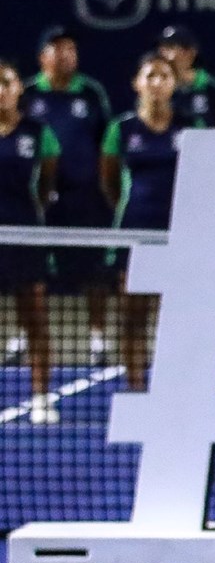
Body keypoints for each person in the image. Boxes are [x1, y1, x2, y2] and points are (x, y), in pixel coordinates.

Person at [24, 27, 114, 366]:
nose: (66, 56)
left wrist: (102, 189)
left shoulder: (90, 93)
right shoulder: (27, 94)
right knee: (30, 274)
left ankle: (97, 337)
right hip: (38, 198)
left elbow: (105, 145)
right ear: (42, 57)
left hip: (85, 196)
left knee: (94, 272)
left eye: (71, 50)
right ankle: (23, 335)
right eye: (58, 50)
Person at [100, 55, 187, 390]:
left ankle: (174, 387)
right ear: (137, 83)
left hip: (180, 233)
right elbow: (109, 180)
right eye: (150, 76)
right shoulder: (121, 129)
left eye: (164, 76)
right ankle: (136, 388)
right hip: (135, 231)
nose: (157, 83)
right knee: (134, 316)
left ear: (174, 84)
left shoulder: (190, 126)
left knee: (177, 317)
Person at [0, 59, 59, 423]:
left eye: (6, 83)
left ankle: (41, 399)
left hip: (25, 236)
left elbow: (46, 183)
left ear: (19, 88)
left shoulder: (38, 133)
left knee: (35, 319)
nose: (0, 91)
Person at [156, 26, 215, 128]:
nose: (164, 54)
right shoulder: (156, 90)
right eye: (162, 48)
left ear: (190, 52)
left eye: (171, 47)